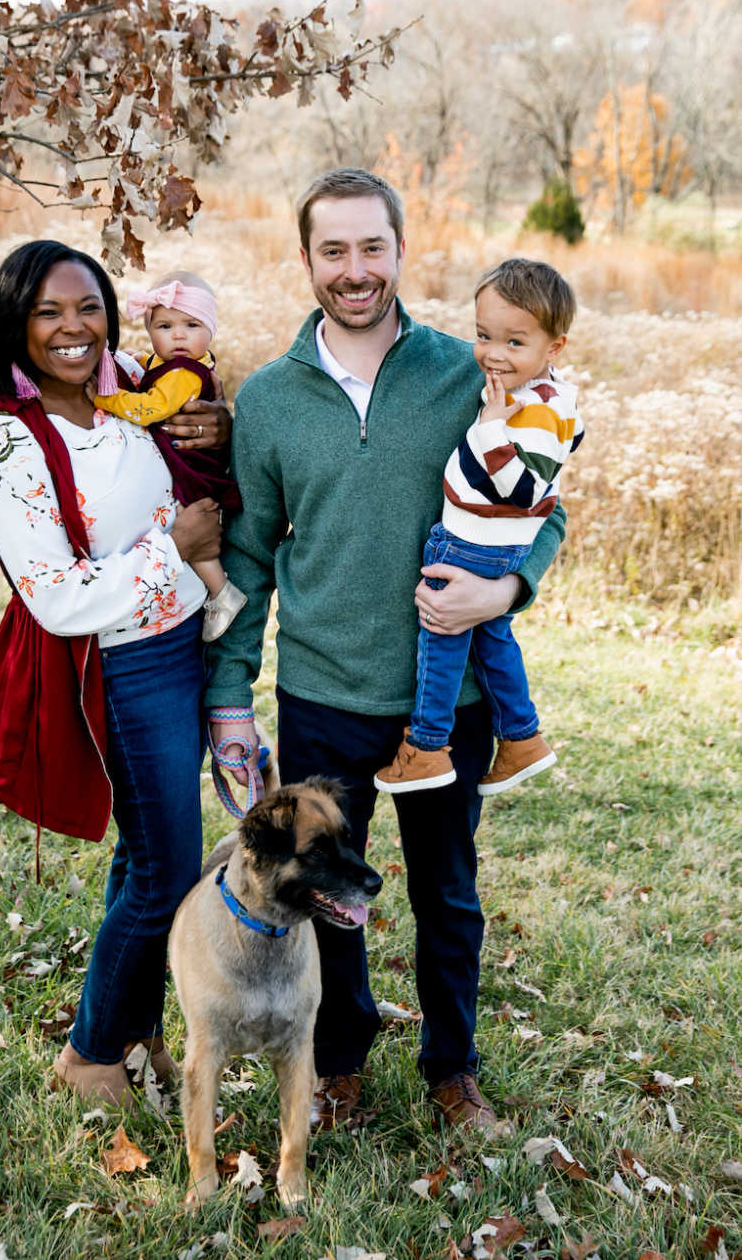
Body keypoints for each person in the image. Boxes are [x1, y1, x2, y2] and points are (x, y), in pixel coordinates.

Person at [204, 169, 566, 1135]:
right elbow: (248, 554)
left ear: (402, 251)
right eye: (335, 250)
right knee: (327, 897)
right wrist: (232, 694)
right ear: (308, 258)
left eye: (373, 248)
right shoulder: (272, 401)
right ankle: (338, 1066)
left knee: (448, 895)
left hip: (446, 707)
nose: (355, 270)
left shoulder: (468, 374)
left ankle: (454, 1073)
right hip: (324, 691)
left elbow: (544, 508)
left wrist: (509, 585)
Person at [0, 239, 229, 1107]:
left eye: (88, 307)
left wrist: (213, 430)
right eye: (49, 312)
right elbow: (56, 598)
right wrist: (173, 551)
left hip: (185, 647)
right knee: (166, 874)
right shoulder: (8, 438)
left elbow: (187, 457)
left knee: (145, 856)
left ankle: (134, 1028)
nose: (75, 328)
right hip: (121, 665)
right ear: (17, 324)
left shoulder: (126, 394)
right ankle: (89, 1057)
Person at [375, 258, 583, 798]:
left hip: (473, 541)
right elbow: (570, 437)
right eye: (484, 335)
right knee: (492, 638)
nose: (493, 353)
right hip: (497, 544)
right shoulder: (548, 396)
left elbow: (526, 489)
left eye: (515, 343)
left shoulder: (532, 409)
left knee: (442, 636)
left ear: (552, 348)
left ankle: (426, 745)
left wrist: (490, 429)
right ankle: (521, 737)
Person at [90, 270, 246, 641]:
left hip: (189, 466)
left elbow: (151, 408)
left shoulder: (185, 373)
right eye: (164, 325)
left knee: (189, 524)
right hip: (182, 460)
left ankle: (222, 592)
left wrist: (101, 397)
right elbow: (156, 375)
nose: (178, 335)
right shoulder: (169, 366)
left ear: (210, 329)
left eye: (191, 324)